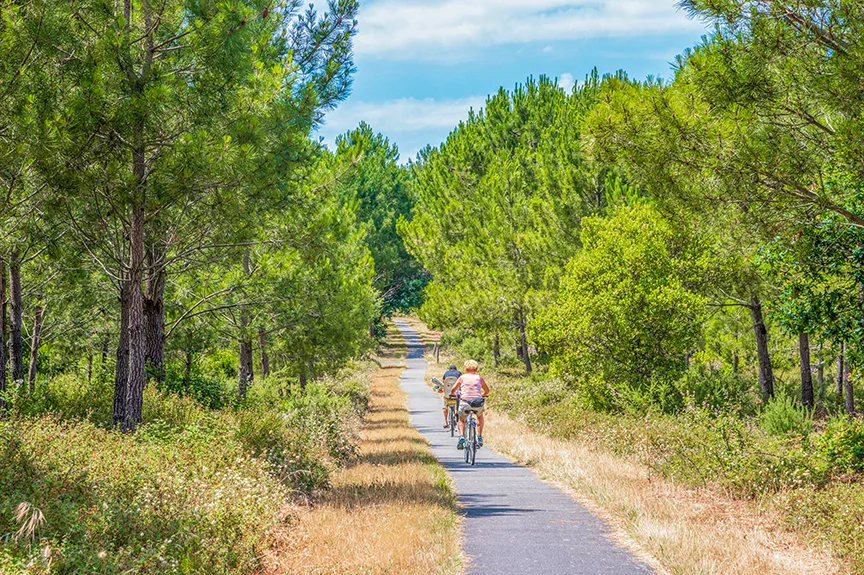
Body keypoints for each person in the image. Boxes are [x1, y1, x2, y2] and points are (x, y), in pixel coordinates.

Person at [451, 359, 489, 449]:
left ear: (466, 368)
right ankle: (479, 437)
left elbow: (453, 390)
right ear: (476, 369)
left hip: (465, 402)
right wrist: (482, 395)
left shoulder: (462, 377)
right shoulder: (479, 378)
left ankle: (461, 437)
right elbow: (487, 390)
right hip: (477, 402)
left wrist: (455, 394)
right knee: (479, 417)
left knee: (461, 419)